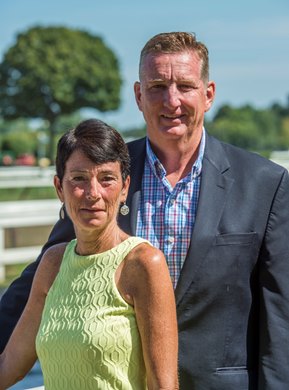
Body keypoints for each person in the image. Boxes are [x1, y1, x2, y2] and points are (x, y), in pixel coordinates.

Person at [1, 31, 289, 389]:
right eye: (156, 87)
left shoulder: (265, 183)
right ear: (138, 96)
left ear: (208, 94)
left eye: (185, 86)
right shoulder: (104, 177)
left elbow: (280, 315)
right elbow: (43, 280)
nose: (171, 100)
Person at [0, 119, 179, 389]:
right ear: (60, 188)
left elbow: (163, 385)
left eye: (107, 178)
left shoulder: (142, 263)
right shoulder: (53, 264)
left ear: (125, 188)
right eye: (79, 179)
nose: (93, 193)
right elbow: (9, 365)